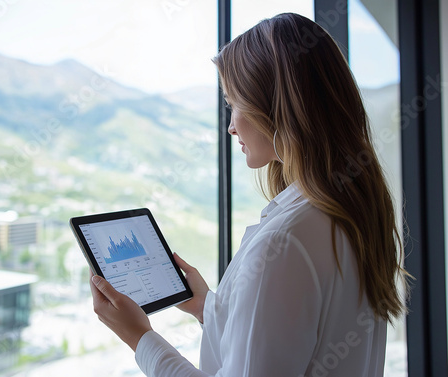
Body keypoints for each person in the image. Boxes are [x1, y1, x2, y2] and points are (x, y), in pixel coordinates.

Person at [89, 12, 410, 377]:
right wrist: (206, 307)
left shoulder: (285, 242)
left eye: (234, 104)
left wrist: (140, 337)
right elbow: (293, 340)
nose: (230, 125)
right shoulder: (348, 213)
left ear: (276, 107)